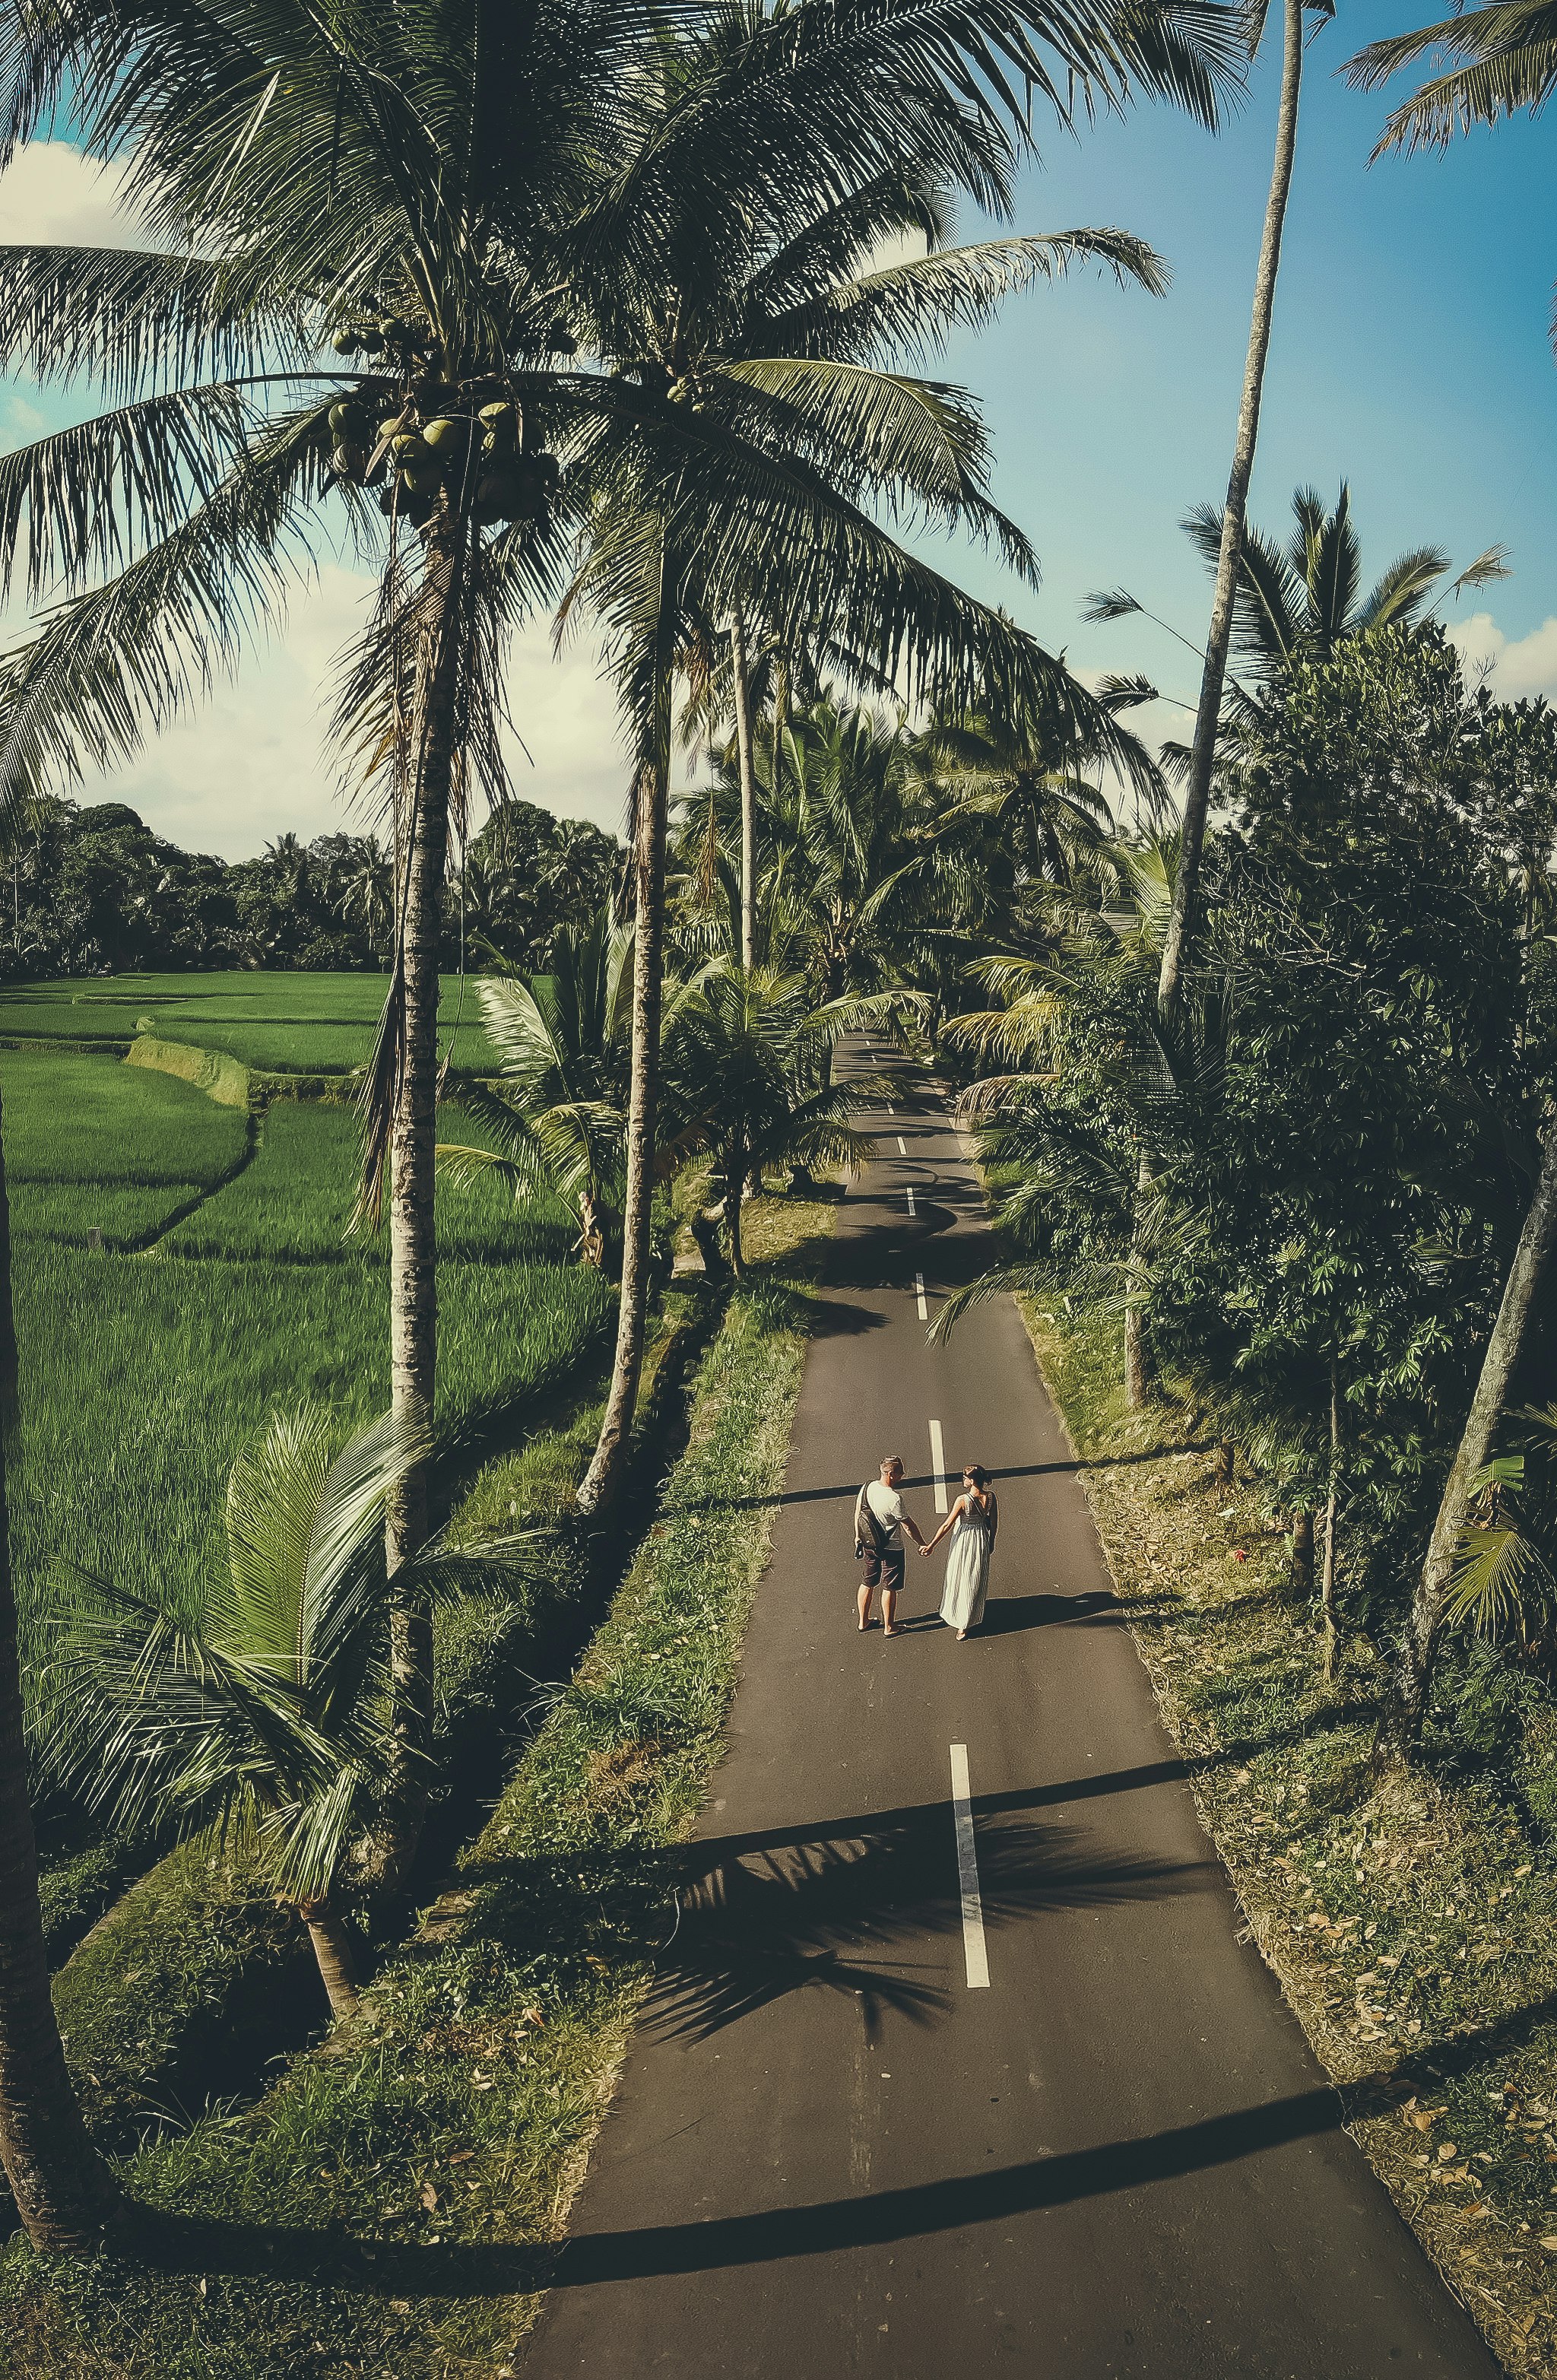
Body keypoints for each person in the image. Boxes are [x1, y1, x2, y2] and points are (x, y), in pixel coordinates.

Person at [854, 1454, 927, 1637]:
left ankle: (863, 1622)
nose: (902, 1476)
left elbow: (858, 1513)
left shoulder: (866, 1488)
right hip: (891, 1549)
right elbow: (908, 1526)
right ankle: (889, 1626)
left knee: (867, 1582)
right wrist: (922, 1543)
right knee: (889, 1587)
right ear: (891, 1474)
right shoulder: (895, 1499)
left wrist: (858, 1537)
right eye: (900, 1473)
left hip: (869, 1544)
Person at [921, 1464, 997, 1639]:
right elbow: (994, 1523)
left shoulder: (963, 1500)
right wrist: (991, 1541)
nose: (963, 1480)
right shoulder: (991, 1497)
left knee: (959, 1576)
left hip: (964, 1540)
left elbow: (947, 1524)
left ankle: (960, 1622)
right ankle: (969, 1617)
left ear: (971, 1481)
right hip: (980, 1539)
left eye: (965, 1477)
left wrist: (931, 1545)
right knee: (974, 1579)